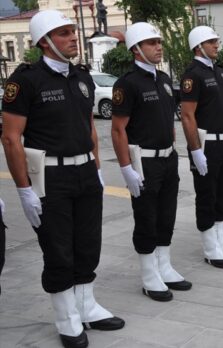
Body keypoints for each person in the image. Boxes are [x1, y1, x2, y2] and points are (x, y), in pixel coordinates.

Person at [0, 10, 125, 347]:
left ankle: (87, 306)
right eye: (65, 33)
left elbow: (89, 129)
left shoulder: (82, 78)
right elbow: (11, 138)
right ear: (44, 41)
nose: (73, 38)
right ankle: (67, 318)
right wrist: (24, 191)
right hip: (50, 176)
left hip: (85, 171)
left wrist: (97, 169)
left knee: (88, 243)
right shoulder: (25, 81)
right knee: (58, 250)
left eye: (73, 31)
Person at [111, 22, 192, 302]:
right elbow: (118, 129)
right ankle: (148, 275)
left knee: (167, 215)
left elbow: (169, 120)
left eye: (159, 42)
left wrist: (172, 149)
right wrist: (126, 169)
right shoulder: (127, 84)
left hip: (167, 158)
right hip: (143, 162)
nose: (158, 47)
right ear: (136, 49)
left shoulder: (165, 79)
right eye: (151, 43)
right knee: (146, 218)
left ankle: (164, 266)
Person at [180, 26, 223, 269]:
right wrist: (195, 149)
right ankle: (209, 245)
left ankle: (220, 237)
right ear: (199, 46)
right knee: (207, 195)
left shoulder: (219, 72)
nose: (217, 45)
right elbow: (187, 115)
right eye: (211, 42)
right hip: (206, 144)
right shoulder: (193, 74)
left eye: (216, 41)